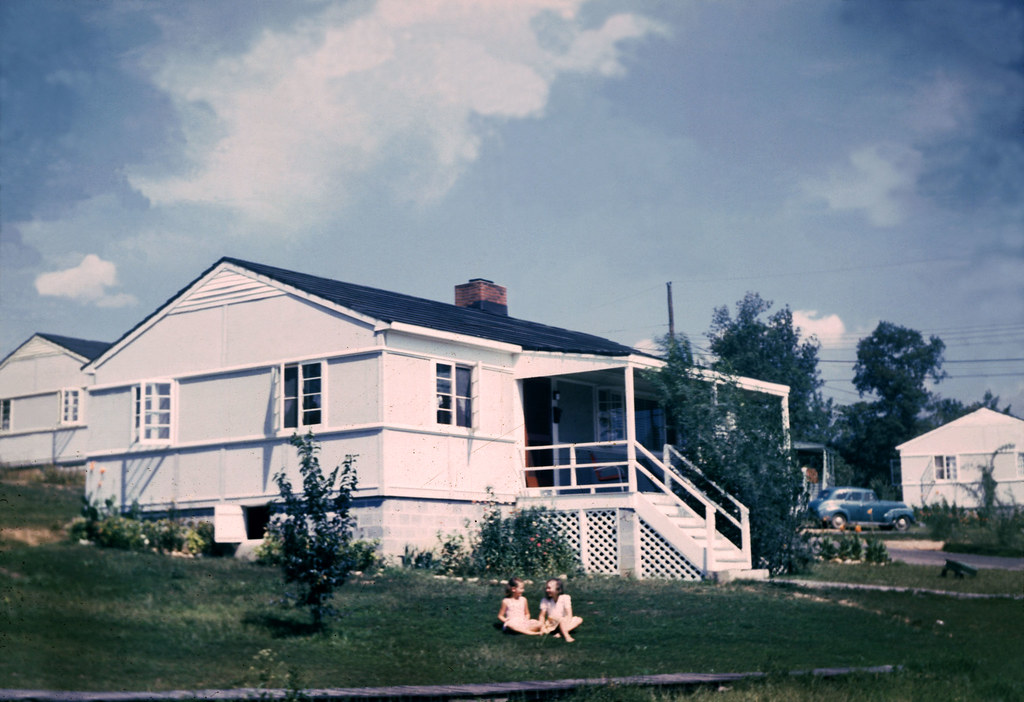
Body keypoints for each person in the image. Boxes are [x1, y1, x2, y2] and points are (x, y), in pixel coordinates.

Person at [538, 578, 583, 643]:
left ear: (558, 590)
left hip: (564, 621)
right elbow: (542, 616)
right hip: (552, 623)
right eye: (546, 588)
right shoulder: (545, 600)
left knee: (579, 619)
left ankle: (561, 632)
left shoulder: (565, 598)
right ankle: (567, 636)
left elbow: (569, 614)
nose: (547, 590)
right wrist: (541, 626)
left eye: (549, 588)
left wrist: (566, 622)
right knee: (561, 620)